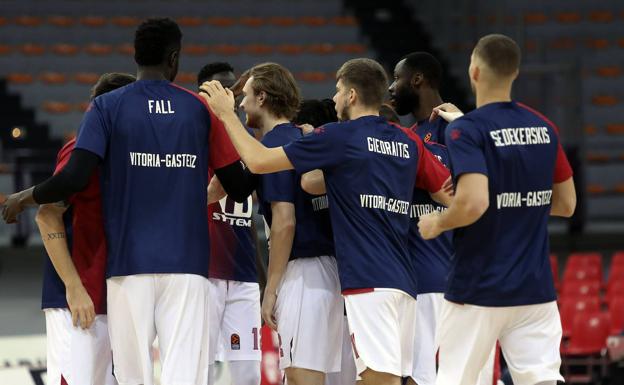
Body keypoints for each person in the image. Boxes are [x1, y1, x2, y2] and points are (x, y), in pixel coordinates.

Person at [2, 18, 254, 385]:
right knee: (184, 376)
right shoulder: (199, 110)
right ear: (174, 58)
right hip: (188, 267)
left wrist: (24, 197)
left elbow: (72, 179)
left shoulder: (106, 107)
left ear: (135, 56)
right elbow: (240, 186)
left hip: (127, 267)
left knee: (133, 378)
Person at [200, 58, 451, 385]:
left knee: (378, 379)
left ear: (350, 95)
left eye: (336, 91)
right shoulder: (407, 140)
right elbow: (450, 194)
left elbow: (260, 162)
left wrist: (226, 114)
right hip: (404, 282)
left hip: (363, 279)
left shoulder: (339, 137)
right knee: (390, 377)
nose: (332, 99)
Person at [418, 34, 576, 385]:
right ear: (515, 72)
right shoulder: (544, 128)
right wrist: (517, 199)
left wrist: (438, 222)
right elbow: (567, 204)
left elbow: (474, 202)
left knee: (456, 379)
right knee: (543, 380)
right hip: (535, 289)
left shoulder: (466, 131)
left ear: (473, 71)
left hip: (479, 285)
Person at [241, 63, 341, 385]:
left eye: (245, 97)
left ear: (262, 97)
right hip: (336, 272)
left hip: (305, 274)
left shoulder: (274, 146)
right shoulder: (310, 138)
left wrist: (271, 289)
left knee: (302, 377)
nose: (242, 104)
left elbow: (284, 223)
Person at [35, 72, 135, 385]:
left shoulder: (128, 157)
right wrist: (74, 288)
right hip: (79, 299)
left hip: (114, 295)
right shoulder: (80, 152)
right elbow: (46, 216)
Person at [198, 63, 262, 385]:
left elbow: (251, 217)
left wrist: (263, 280)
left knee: (248, 374)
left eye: (232, 89)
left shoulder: (249, 138)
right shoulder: (195, 136)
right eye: (220, 88)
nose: (230, 95)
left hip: (244, 272)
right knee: (200, 369)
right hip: (204, 271)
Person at [389, 52, 448, 144]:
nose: (390, 88)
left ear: (417, 79)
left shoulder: (452, 127)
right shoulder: (409, 137)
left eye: (397, 78)